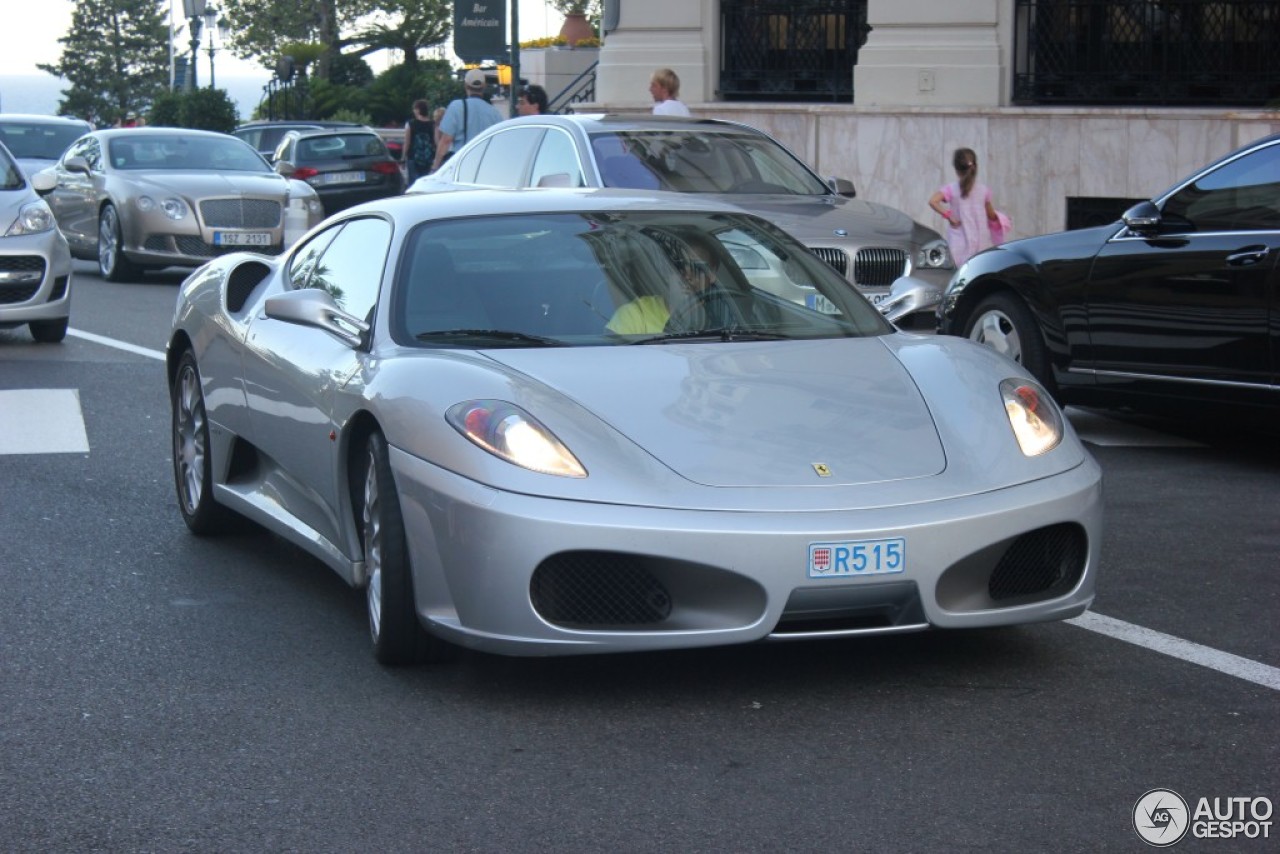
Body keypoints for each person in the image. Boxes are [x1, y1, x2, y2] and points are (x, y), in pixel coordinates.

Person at [607, 233, 737, 334]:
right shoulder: (634, 314)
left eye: (696, 268)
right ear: (668, 271)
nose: (687, 276)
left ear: (712, 274)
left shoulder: (728, 317)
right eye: (679, 267)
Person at [928, 147, 1003, 266]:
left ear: (956, 169)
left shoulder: (951, 189)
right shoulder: (984, 191)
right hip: (980, 242)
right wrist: (1002, 219)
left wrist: (949, 216)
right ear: (975, 167)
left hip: (958, 243)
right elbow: (992, 215)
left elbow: (933, 201)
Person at [431, 69, 504, 173]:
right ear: (484, 87)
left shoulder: (456, 107)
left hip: (462, 165)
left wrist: (435, 167)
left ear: (465, 86)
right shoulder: (494, 113)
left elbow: (446, 141)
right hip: (485, 167)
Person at [403, 99, 436, 185]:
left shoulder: (410, 124)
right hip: (429, 158)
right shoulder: (433, 124)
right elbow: (436, 142)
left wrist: (403, 157)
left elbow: (407, 142)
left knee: (413, 183)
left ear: (418, 110)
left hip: (413, 158)